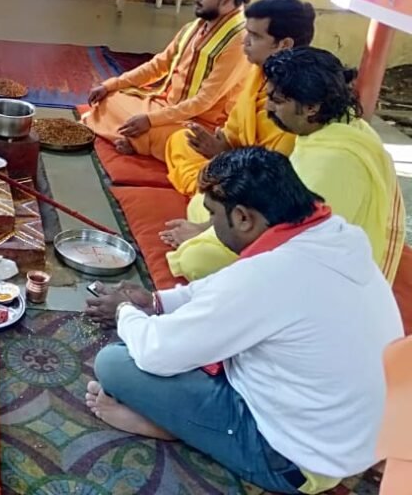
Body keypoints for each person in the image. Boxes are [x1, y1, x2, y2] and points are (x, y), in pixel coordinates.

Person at [84, 147, 402, 495]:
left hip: (292, 459)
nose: (210, 225)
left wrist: (123, 312)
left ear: (243, 218)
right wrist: (156, 302)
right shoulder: (333, 235)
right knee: (187, 340)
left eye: (212, 215)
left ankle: (177, 427)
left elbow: (156, 353)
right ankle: (187, 421)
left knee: (115, 363)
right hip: (354, 440)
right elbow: (225, 289)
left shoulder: (271, 275)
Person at [163, 47, 406, 283]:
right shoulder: (328, 126)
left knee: (197, 259)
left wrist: (205, 234)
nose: (268, 107)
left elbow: (291, 237)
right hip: (278, 221)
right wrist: (211, 226)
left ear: (311, 107)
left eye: (277, 101)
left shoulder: (334, 162)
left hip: (318, 266)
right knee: (203, 203)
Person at [84, 0, 251, 159]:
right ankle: (139, 139)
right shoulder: (195, 27)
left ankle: (141, 140)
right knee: (110, 98)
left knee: (174, 137)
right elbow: (158, 65)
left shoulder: (239, 41)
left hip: (203, 125)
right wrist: (111, 85)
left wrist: (150, 120)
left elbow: (204, 101)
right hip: (169, 107)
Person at [164, 0, 316, 195]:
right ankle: (208, 190)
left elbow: (276, 173)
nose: (244, 41)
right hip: (233, 161)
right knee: (180, 139)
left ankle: (209, 193)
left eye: (255, 36)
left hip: (260, 183)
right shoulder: (259, 72)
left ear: (284, 44)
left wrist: (225, 155)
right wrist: (220, 145)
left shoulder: (295, 100)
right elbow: (234, 130)